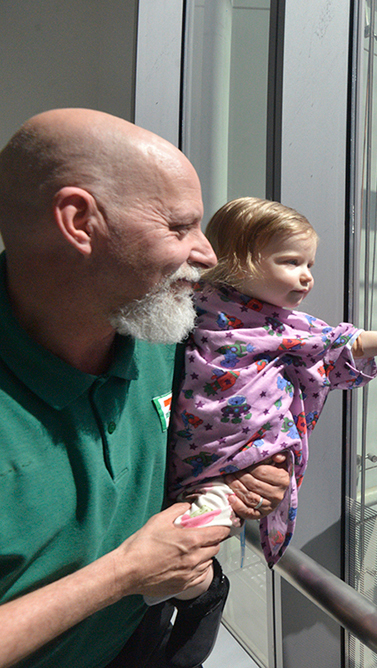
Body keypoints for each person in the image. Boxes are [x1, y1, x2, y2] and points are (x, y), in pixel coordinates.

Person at [0, 109, 289, 668]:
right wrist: (127, 573)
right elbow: (135, 565)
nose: (207, 256)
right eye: (179, 227)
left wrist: (231, 472)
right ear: (79, 221)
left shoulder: (163, 330)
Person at [166, 196, 377, 577]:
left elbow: (350, 342)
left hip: (252, 455)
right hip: (202, 446)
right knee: (203, 534)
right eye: (291, 262)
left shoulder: (287, 325)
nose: (307, 275)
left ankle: (197, 538)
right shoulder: (188, 307)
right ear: (239, 259)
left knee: (214, 526)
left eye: (309, 264)